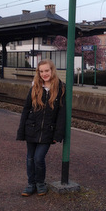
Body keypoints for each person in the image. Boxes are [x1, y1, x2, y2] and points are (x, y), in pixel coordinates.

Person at [17, 59, 66, 196]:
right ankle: (31, 184)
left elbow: (62, 114)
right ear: (38, 73)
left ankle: (40, 183)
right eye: (41, 71)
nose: (44, 74)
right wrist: (21, 131)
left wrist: (58, 134)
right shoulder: (34, 88)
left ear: (52, 71)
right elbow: (26, 109)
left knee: (39, 158)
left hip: (47, 132)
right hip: (31, 129)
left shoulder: (60, 88)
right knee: (30, 158)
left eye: (47, 71)